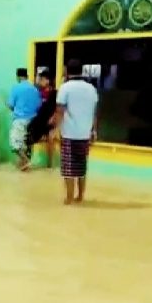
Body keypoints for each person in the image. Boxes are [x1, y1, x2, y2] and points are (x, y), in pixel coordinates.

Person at [55, 59, 99, 205]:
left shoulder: (65, 88)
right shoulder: (91, 88)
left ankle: (69, 198)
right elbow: (94, 113)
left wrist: (55, 129)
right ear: (82, 71)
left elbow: (60, 111)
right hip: (85, 134)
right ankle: (80, 197)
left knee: (68, 168)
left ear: (67, 71)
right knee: (81, 167)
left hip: (69, 133)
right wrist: (94, 131)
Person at [7, 67, 41, 171]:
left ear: (18, 77)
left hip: (20, 119)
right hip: (33, 119)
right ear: (27, 76)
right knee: (27, 142)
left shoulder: (16, 88)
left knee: (15, 144)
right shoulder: (34, 89)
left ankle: (26, 161)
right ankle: (24, 164)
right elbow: (39, 105)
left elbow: (10, 105)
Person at [26, 70, 58, 168]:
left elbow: (58, 107)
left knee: (50, 139)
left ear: (48, 80)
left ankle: (50, 164)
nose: (40, 81)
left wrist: (53, 118)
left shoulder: (54, 93)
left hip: (50, 120)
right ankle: (27, 159)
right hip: (40, 119)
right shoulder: (38, 93)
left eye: (42, 79)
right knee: (29, 132)